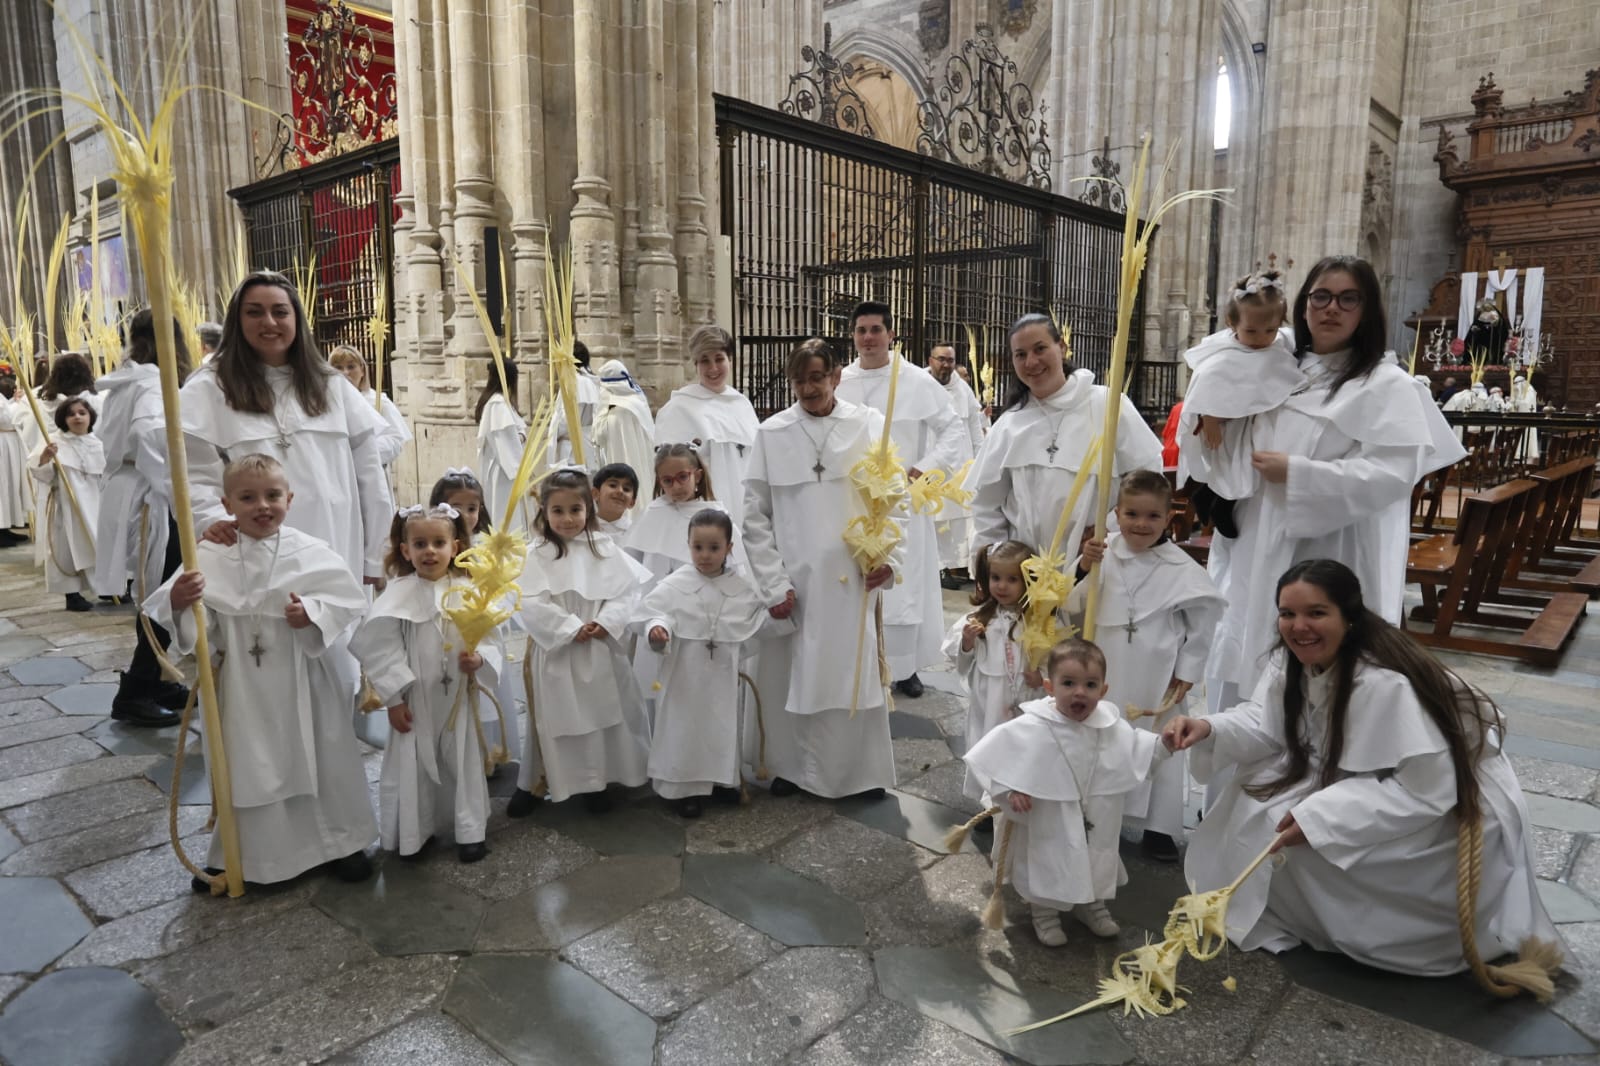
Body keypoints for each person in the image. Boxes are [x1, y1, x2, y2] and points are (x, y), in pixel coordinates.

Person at [1163, 559, 1560, 976]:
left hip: (1440, 801)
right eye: (1287, 614)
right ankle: (1297, 913)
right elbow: (1269, 724)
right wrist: (1208, 727)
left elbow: (1425, 789)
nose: (1299, 627)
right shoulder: (1290, 660)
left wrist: (1322, 819)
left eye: (1316, 613)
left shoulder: (1383, 683)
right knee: (1256, 805)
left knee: (1294, 834)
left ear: (1349, 617)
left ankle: (1369, 929)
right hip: (1365, 780)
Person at [1197, 256, 1464, 718]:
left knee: (1318, 688)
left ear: (1367, 310)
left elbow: (1389, 477)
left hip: (1332, 548)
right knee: (1251, 659)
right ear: (1302, 306)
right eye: (1321, 296)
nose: (1331, 309)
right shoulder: (1272, 363)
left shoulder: (1386, 385)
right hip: (1256, 545)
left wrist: (1299, 473)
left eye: (1347, 298)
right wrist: (1211, 415)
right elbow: (1218, 396)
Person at [147, 454, 375, 889]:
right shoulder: (210, 554)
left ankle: (340, 844)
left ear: (289, 498)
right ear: (226, 503)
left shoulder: (310, 551)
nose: (262, 506)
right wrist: (179, 601)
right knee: (246, 766)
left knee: (324, 759)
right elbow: (191, 623)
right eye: (247, 497)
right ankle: (242, 853)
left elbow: (348, 601)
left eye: (273, 495)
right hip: (242, 688)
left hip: (306, 680)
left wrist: (312, 612)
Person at [742, 338, 900, 800]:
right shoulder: (771, 433)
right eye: (799, 379)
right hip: (795, 580)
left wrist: (888, 559)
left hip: (853, 577)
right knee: (792, 672)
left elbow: (893, 500)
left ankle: (861, 773)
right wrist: (773, 582)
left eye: (817, 377)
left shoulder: (869, 425)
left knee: (850, 671)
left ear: (835, 377)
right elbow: (754, 515)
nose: (808, 388)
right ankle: (791, 768)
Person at [964, 638, 1166, 946]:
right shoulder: (1035, 725)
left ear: (1104, 690)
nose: (1080, 692)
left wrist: (1165, 745)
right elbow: (999, 757)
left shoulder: (1109, 725)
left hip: (1097, 811)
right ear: (1049, 686)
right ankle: (1044, 912)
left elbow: (1138, 750)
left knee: (1096, 856)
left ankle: (1092, 904)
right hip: (1050, 814)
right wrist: (1010, 789)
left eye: (1090, 684)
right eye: (1068, 683)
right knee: (1050, 857)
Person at [1067, 470, 1223, 862]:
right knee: (1102, 735)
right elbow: (1067, 602)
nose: (1141, 524)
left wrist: (1187, 670)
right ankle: (1094, 814)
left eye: (1152, 516)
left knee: (1160, 741)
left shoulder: (1179, 566)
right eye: (1132, 514)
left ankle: (1160, 826)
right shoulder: (1101, 553)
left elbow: (1202, 623)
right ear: (1116, 513)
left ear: (1169, 517)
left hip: (1158, 670)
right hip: (1106, 663)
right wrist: (1082, 569)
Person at [351, 503, 502, 864]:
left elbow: (491, 638)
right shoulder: (397, 594)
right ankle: (414, 835)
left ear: (456, 548)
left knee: (462, 761)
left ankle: (470, 832)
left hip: (457, 701)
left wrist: (479, 659)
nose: (429, 551)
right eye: (420, 544)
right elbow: (382, 650)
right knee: (413, 764)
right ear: (406, 551)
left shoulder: (469, 591)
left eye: (438, 542)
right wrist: (394, 698)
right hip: (415, 700)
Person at [968, 313, 1164, 574]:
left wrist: (1112, 527)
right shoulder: (1009, 424)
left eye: (1040, 349)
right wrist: (996, 563)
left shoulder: (1107, 405)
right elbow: (986, 505)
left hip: (1099, 561)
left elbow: (1148, 479)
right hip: (1027, 572)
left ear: (1061, 347)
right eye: (1020, 354)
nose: (1031, 362)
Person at [837, 301, 964, 698]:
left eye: (876, 329)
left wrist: (923, 467)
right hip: (854, 501)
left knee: (903, 588)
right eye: (861, 330)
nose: (869, 338)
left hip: (903, 502)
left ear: (891, 335)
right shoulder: (842, 380)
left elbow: (953, 430)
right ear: (854, 336)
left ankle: (904, 668)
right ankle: (860, 658)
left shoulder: (915, 380)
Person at [506, 469, 651, 816]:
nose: (568, 519)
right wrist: (569, 627)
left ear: (589, 508)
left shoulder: (604, 549)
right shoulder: (535, 554)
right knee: (555, 720)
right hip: (558, 650)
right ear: (544, 511)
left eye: (576, 509)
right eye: (558, 511)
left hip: (599, 647)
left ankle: (597, 781)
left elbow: (628, 592)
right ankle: (538, 780)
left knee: (601, 716)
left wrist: (606, 621)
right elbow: (529, 601)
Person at [638, 509, 768, 818]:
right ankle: (685, 789)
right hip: (684, 672)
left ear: (729, 548)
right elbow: (653, 613)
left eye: (714, 548)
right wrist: (659, 629)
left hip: (721, 672)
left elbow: (756, 622)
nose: (705, 555)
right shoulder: (675, 583)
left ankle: (722, 780)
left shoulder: (741, 587)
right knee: (684, 727)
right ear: (688, 545)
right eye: (698, 547)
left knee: (721, 724)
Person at [93, 312, 189, 726]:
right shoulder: (150, 379)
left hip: (131, 486)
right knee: (164, 590)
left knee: (162, 586)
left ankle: (156, 678)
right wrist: (172, 484)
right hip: (150, 492)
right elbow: (151, 433)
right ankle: (135, 689)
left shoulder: (128, 375)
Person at [1176, 270, 1302, 539]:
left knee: (1252, 465)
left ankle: (1213, 497)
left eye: (1270, 329)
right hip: (1229, 422)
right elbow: (1207, 384)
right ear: (1232, 323)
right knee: (1234, 464)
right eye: (1251, 331)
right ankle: (1218, 500)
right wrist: (1210, 418)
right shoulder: (1224, 356)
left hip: (1260, 419)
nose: (1261, 338)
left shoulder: (1280, 344)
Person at [430, 467, 521, 767]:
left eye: (472, 508)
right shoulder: (434, 544)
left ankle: (490, 754)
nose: (466, 516)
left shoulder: (488, 546)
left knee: (487, 698)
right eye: (457, 508)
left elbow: (507, 588)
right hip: (447, 634)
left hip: (484, 635)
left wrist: (487, 609)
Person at [943, 540, 1041, 803]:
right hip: (989, 698)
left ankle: (1018, 797)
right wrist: (967, 642)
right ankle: (988, 799)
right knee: (988, 743)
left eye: (1012, 579)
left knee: (1022, 747)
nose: (1002, 586)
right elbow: (961, 661)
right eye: (996, 578)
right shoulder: (979, 618)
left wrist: (1041, 677)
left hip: (1024, 695)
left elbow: (1055, 657)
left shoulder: (1039, 620)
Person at [653, 325, 761, 530]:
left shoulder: (742, 405)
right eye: (705, 361)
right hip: (703, 516)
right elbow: (669, 471)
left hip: (747, 509)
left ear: (730, 359)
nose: (713, 368)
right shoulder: (679, 408)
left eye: (719, 359)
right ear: (695, 365)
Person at [31, 398, 104, 611]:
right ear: (64, 420)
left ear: (91, 417)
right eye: (71, 414)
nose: (77, 417)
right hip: (67, 504)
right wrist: (45, 459)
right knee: (67, 548)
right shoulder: (53, 442)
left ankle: (106, 589)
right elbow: (41, 474)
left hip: (95, 503)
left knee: (98, 543)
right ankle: (72, 594)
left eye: (82, 412)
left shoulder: (98, 443)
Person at [928, 341, 988, 589]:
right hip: (932, 466)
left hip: (961, 466)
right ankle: (939, 568)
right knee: (935, 519)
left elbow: (975, 429)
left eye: (950, 360)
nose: (946, 365)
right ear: (930, 359)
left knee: (965, 520)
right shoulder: (920, 385)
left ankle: (970, 571)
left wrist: (978, 461)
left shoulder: (964, 390)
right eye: (941, 359)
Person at [328, 345, 412, 469]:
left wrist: (366, 451)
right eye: (338, 367)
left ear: (362, 370)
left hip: (371, 472)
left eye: (351, 366)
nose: (345, 372)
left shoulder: (378, 401)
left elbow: (395, 440)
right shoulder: (325, 404)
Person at [474, 357, 531, 534]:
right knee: (506, 518)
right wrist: (521, 436)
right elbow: (507, 442)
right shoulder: (497, 404)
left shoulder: (501, 402)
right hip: (505, 472)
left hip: (505, 469)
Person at [594, 358, 656, 518]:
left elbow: (599, 436)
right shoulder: (638, 403)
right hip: (642, 464)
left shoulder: (614, 412)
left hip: (618, 462)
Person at [550, 340, 601, 470]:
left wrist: (553, 431)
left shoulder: (574, 383)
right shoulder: (592, 381)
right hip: (588, 445)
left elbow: (568, 420)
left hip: (571, 449)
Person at [0, 374, 28, 548]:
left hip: (9, 444)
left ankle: (5, 527)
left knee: (9, 487)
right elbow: (6, 419)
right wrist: (18, 404)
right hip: (2, 444)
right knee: (2, 487)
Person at [592, 462, 639, 539]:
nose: (620, 491)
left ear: (632, 502)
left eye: (626, 489)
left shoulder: (635, 531)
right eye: (613, 485)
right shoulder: (581, 528)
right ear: (595, 494)